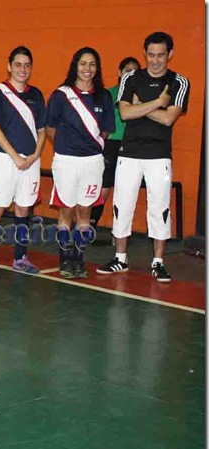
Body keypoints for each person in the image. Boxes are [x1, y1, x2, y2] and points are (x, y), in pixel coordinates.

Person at [97, 32, 190, 282]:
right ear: (144, 53)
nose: (155, 60)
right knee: (122, 204)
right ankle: (120, 258)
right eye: (151, 55)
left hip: (159, 155)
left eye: (161, 55)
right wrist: (158, 103)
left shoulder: (179, 82)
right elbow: (125, 115)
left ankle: (158, 262)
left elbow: (169, 117)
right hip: (129, 153)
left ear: (170, 54)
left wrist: (141, 107)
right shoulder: (131, 78)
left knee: (159, 207)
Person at [45, 47, 114, 278]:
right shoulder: (61, 95)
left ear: (97, 68)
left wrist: (88, 148)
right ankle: (65, 258)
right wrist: (68, 146)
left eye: (92, 64)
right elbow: (50, 128)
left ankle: (78, 258)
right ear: (75, 66)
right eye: (83, 63)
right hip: (66, 161)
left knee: (85, 212)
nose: (87, 69)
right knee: (66, 211)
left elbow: (105, 131)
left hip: (93, 163)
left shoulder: (103, 96)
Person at [0, 46, 46, 277]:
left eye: (27, 65)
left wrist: (35, 155)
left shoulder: (36, 95)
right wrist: (15, 156)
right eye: (18, 64)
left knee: (23, 209)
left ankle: (20, 258)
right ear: (9, 66)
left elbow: (41, 131)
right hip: (4, 160)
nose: (22, 69)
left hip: (30, 162)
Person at [90, 56, 141, 236]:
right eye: (127, 70)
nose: (130, 74)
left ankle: (120, 232)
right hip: (110, 145)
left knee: (126, 192)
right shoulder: (107, 94)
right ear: (120, 73)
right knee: (102, 188)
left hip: (132, 147)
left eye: (134, 72)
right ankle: (89, 226)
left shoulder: (141, 97)